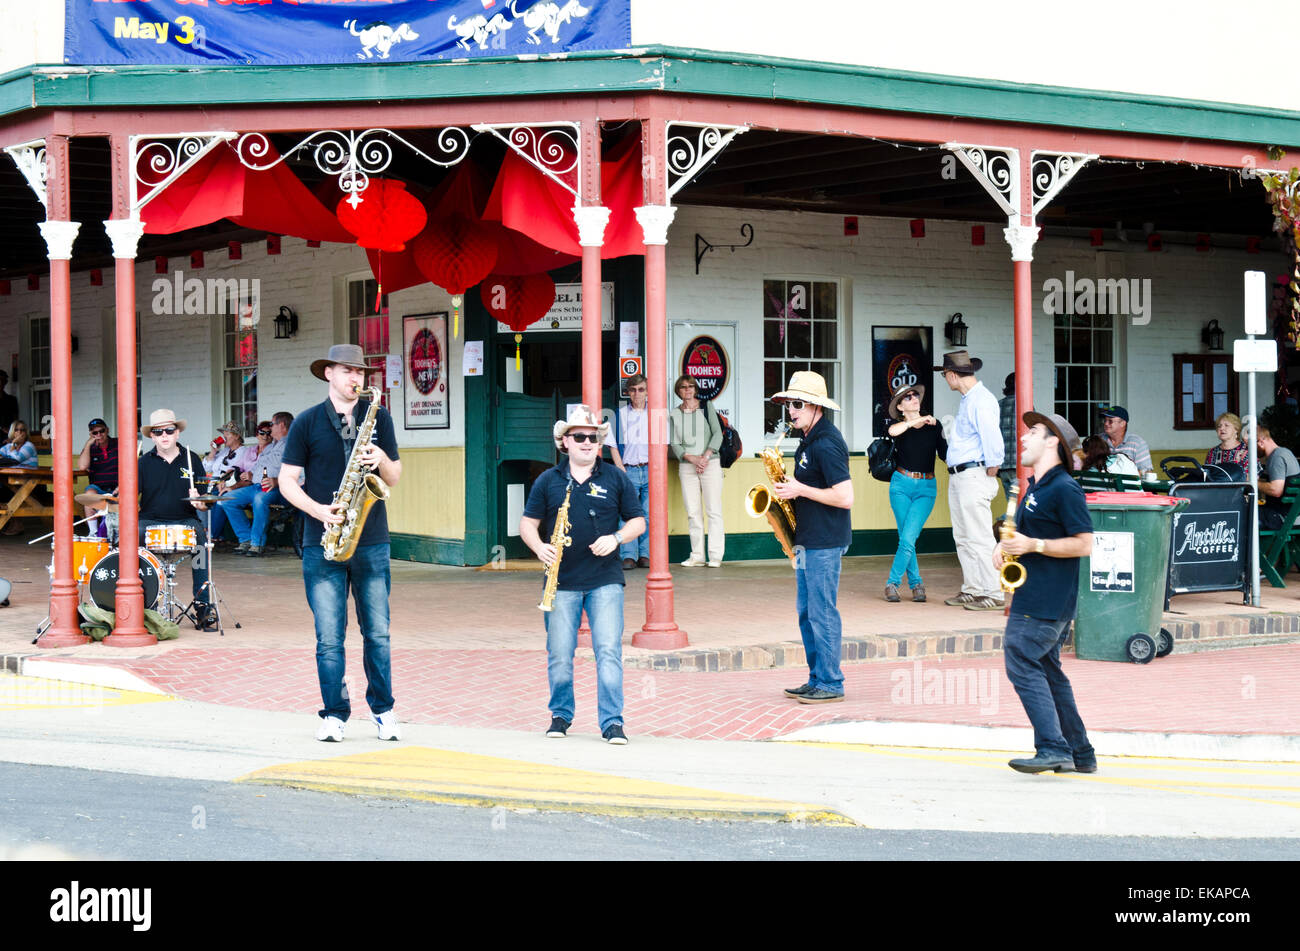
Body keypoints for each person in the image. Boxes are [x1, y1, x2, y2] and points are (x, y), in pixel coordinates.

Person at [278, 345, 402, 743]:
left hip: (372, 541)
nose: (355, 378)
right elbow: (286, 481)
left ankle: (383, 711)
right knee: (329, 638)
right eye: (347, 370)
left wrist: (380, 457)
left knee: (378, 634)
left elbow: (394, 477)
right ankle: (334, 715)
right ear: (329, 373)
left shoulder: (379, 417)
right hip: (323, 542)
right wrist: (318, 510)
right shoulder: (307, 422)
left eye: (360, 372)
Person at [520, 405, 644, 744]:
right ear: (565, 442)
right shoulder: (548, 480)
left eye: (593, 437)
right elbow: (527, 523)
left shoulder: (615, 477)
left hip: (605, 580)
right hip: (560, 582)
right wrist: (539, 547)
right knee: (560, 654)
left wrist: (616, 538)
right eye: (579, 437)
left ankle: (612, 722)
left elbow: (638, 521)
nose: (587, 442)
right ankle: (560, 715)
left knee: (608, 652)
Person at [993, 410, 1096, 774]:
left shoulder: (1064, 488)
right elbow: (1025, 534)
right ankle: (1080, 753)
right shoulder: (1038, 485)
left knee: (1020, 656)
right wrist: (1006, 545)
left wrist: (1033, 545)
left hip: (1046, 598)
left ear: (1053, 442)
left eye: (1033, 432)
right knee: (1049, 671)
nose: (1023, 437)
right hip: (1038, 594)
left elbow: (1085, 543)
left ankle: (1053, 747)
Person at [770, 371, 854, 705]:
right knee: (807, 612)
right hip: (808, 538)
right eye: (789, 404)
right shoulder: (808, 439)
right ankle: (817, 677)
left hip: (825, 540)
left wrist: (799, 489)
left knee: (822, 612)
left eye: (798, 404)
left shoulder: (827, 443)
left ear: (816, 406)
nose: (791, 411)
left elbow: (845, 497)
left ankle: (831, 682)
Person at [935, 350, 1005, 611]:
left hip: (974, 473)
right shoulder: (969, 400)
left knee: (979, 535)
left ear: (953, 375)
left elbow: (992, 437)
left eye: (944, 374)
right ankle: (973, 588)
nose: (945, 379)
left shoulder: (981, 400)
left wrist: (993, 465)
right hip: (961, 474)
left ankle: (993, 592)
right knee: (964, 535)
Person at [137, 409, 216, 630]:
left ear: (177, 433)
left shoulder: (193, 459)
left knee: (201, 546)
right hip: (149, 520)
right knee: (133, 539)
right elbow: (129, 498)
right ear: (152, 436)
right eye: (158, 431)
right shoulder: (143, 463)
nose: (164, 435)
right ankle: (145, 606)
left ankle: (203, 607)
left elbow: (205, 500)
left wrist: (199, 502)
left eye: (169, 430)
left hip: (185, 519)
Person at [884, 382, 946, 603]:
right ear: (900, 407)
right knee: (907, 538)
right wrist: (915, 421)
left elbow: (945, 455)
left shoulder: (934, 426)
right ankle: (916, 584)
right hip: (901, 485)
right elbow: (892, 431)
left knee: (908, 537)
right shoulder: (899, 427)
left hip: (926, 488)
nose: (914, 398)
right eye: (908, 397)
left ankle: (893, 582)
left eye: (915, 395)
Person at [211, 413, 294, 556]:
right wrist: (250, 474)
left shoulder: (292, 445)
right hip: (256, 486)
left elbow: (299, 472)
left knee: (259, 499)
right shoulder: (270, 447)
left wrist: (276, 481)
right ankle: (246, 539)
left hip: (278, 489)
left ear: (281, 425)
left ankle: (257, 543)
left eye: (272, 425)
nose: (270, 429)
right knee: (228, 499)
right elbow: (257, 467)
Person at [669, 375, 725, 567]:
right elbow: (675, 443)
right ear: (678, 391)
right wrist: (692, 458)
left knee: (713, 510)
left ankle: (715, 556)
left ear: (695, 389)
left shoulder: (706, 407)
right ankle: (697, 555)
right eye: (683, 387)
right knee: (693, 512)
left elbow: (717, 434)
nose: (687, 390)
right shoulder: (674, 413)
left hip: (710, 463)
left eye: (691, 386)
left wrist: (705, 457)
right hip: (687, 466)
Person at [608, 373, 650, 569]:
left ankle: (645, 554)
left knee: (648, 514)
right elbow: (612, 445)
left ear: (647, 392)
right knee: (628, 514)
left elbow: (663, 445)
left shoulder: (656, 415)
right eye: (633, 390)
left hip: (650, 468)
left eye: (641, 389)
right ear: (628, 392)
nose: (637, 393)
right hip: (629, 469)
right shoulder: (620, 414)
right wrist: (620, 468)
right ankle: (628, 555)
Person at [78, 417, 120, 536]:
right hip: (98, 488)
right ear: (91, 434)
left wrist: (122, 486)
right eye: (95, 433)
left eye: (101, 431)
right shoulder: (90, 448)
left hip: (117, 487)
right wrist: (88, 444)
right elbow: (82, 466)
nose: (99, 435)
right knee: (89, 495)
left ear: (107, 430)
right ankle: (93, 532)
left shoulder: (118, 443)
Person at [1256, 424, 1300, 531]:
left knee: (1244, 513)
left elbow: (1276, 490)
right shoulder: (1284, 452)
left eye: (1250, 446)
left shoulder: (1276, 457)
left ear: (1261, 442)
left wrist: (1252, 482)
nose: (1249, 451)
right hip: (1291, 514)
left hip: (1284, 517)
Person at [1098, 405, 1152, 474]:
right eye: (1105, 420)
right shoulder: (1098, 440)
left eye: (1110, 421)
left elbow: (1147, 472)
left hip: (1127, 481)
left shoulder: (1138, 443)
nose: (1106, 423)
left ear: (1122, 423)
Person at [998, 372, 1017, 500]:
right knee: (1022, 504)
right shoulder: (1025, 404)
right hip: (1019, 465)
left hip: (1002, 465)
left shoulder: (998, 405)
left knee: (1011, 503)